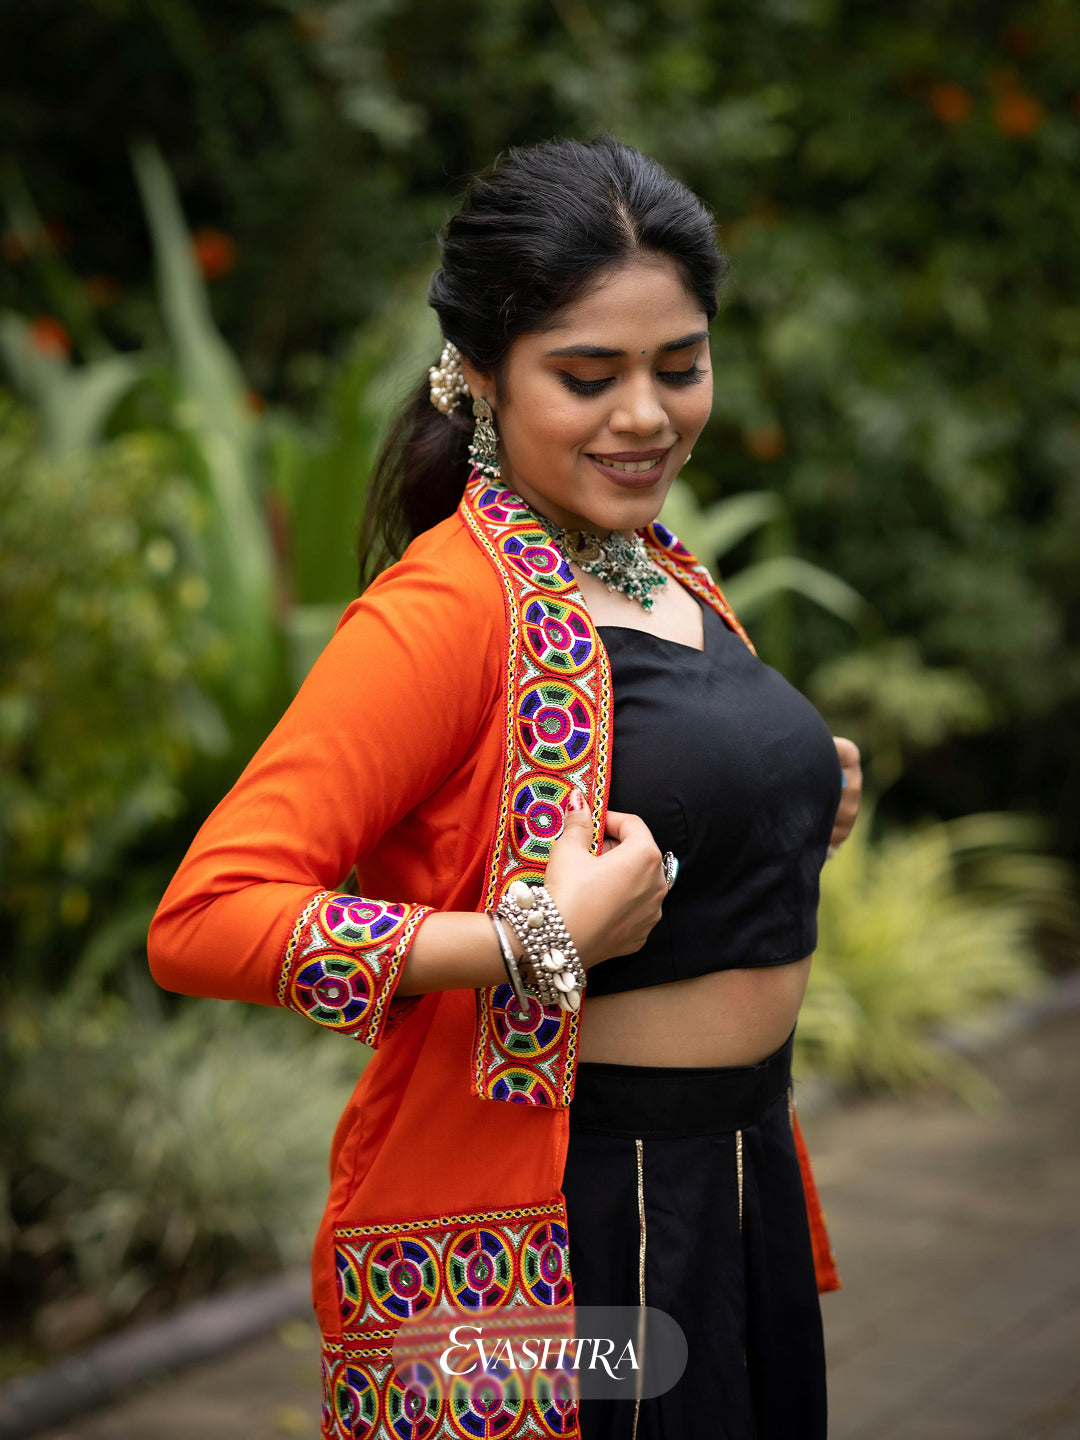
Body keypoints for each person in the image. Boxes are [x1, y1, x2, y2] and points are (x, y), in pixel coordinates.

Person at [148, 135, 862, 1440]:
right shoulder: (445, 606)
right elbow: (204, 918)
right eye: (588, 377)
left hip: (737, 1178)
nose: (645, 416)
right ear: (477, 374)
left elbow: (651, 799)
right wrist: (527, 940)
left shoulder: (664, 567)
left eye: (680, 366)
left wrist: (796, 793)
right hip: (570, 1222)